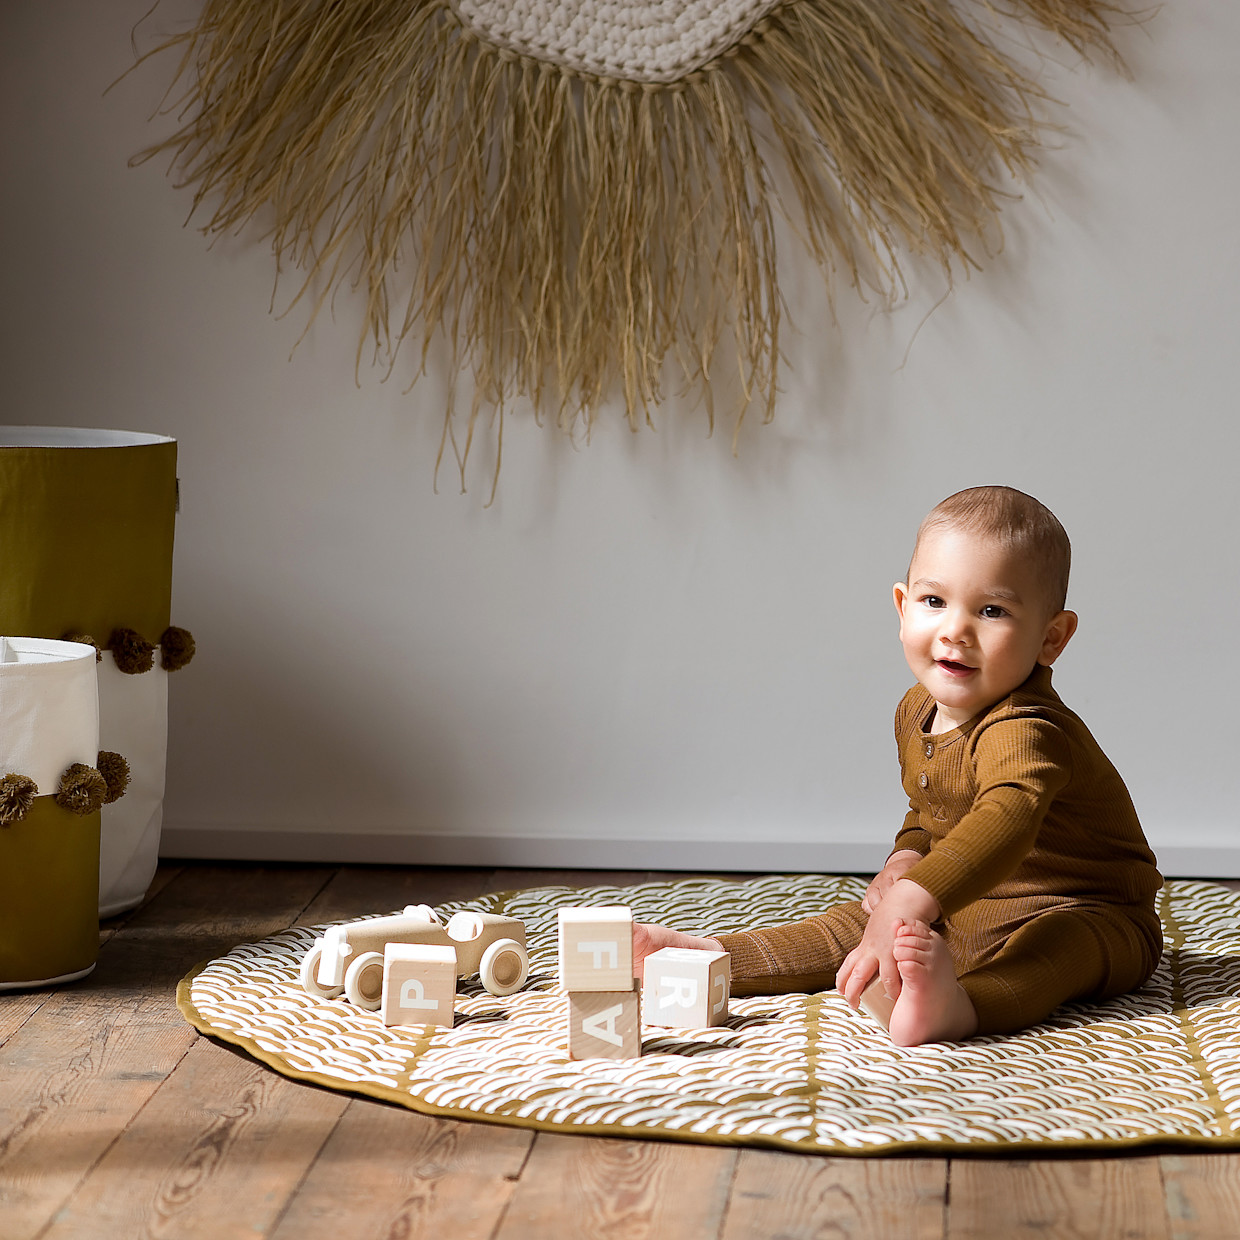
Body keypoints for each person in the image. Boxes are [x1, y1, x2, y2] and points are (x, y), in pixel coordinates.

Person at [634, 486, 1162, 1046]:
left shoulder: (1027, 730)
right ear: (902, 606)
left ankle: (959, 1008)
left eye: (991, 610)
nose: (955, 629)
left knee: (1054, 952)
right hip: (968, 899)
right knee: (861, 925)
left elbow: (1007, 814)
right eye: (935, 602)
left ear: (1050, 638)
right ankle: (711, 957)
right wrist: (909, 857)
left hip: (1090, 910)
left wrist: (917, 895)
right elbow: (931, 810)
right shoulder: (917, 711)